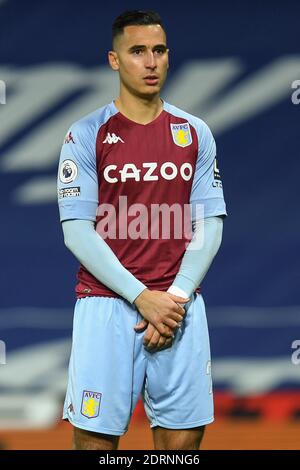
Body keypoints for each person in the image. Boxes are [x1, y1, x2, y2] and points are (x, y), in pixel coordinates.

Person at [57, 10, 227, 450]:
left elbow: (209, 223)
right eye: (137, 52)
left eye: (159, 50)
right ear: (114, 60)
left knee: (181, 443)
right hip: (107, 306)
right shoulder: (86, 134)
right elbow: (77, 232)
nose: (151, 62)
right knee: (94, 443)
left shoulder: (194, 132)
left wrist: (176, 297)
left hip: (178, 308)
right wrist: (142, 298)